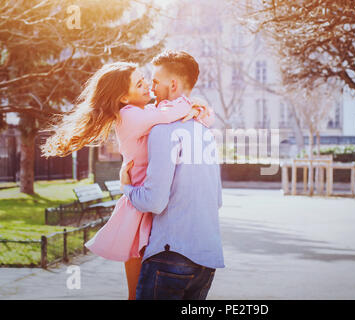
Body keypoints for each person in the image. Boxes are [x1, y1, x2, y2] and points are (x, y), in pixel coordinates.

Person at [41, 60, 214, 300]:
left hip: (146, 200)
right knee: (136, 292)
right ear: (123, 97)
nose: (149, 88)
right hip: (138, 207)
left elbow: (178, 114)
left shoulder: (142, 114)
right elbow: (170, 112)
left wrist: (199, 109)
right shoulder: (130, 115)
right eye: (141, 84)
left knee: (141, 285)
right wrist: (195, 107)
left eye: (147, 81)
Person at [120, 50, 224, 300]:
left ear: (173, 84)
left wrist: (127, 188)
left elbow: (155, 201)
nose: (152, 88)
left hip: (170, 256)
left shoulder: (163, 130)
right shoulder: (205, 130)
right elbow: (217, 199)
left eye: (155, 81)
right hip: (206, 259)